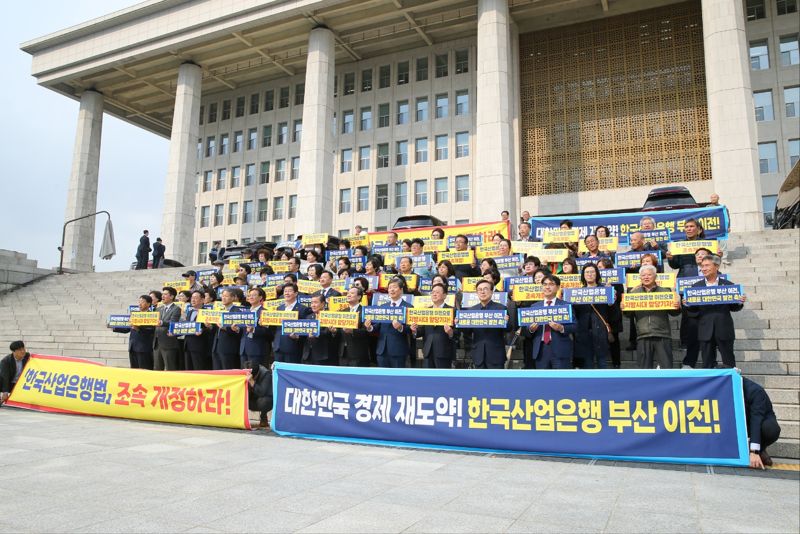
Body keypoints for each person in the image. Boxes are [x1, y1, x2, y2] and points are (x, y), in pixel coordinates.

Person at [684, 254, 745, 368]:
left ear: (716, 266)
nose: (704, 268)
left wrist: (740, 301)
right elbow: (693, 312)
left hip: (724, 328)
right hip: (705, 330)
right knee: (707, 363)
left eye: (707, 265)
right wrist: (688, 305)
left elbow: (734, 308)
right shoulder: (695, 287)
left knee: (729, 361)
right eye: (702, 266)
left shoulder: (728, 285)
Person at [623, 265, 681, 369]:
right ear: (640, 277)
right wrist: (624, 308)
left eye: (649, 274)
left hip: (662, 334)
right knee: (644, 370)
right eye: (643, 275)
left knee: (666, 367)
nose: (646, 277)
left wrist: (677, 307)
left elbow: (674, 313)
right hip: (643, 335)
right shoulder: (633, 294)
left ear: (655, 276)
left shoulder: (665, 292)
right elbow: (628, 315)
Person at [522, 275, 576, 369]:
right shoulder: (534, 307)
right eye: (545, 284)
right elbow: (526, 330)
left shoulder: (566, 306)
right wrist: (531, 329)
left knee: (560, 381)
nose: (547, 287)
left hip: (560, 349)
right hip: (540, 349)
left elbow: (575, 326)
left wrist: (561, 328)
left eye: (551, 284)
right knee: (542, 382)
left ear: (558, 287)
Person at [458, 279, 512, 369]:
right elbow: (467, 332)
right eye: (480, 289)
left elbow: (509, 328)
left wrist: (506, 322)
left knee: (496, 383)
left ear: (491, 292)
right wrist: (460, 324)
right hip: (478, 354)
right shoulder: (471, 311)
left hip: (496, 354)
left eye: (485, 289)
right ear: (477, 293)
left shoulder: (501, 308)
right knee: (479, 383)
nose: (482, 292)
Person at [365, 278, 412, 368]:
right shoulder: (383, 306)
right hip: (382, 350)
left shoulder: (408, 307)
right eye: (390, 288)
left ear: (401, 290)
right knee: (383, 379)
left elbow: (411, 329)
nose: (391, 290)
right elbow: (377, 326)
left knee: (397, 380)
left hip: (398, 350)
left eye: (394, 287)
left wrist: (400, 327)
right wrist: (369, 327)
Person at [573, 264, 611, 369]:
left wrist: (611, 296)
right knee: (587, 363)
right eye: (587, 272)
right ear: (583, 275)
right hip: (583, 330)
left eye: (592, 272)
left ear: (597, 274)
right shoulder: (577, 292)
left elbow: (613, 310)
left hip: (600, 330)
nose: (590, 274)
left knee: (602, 361)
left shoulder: (605, 290)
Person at [411, 283, 456, 369]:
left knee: (442, 380)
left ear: (445, 295)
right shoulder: (427, 311)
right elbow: (422, 330)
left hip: (444, 352)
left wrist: (450, 332)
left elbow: (457, 332)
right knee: (428, 381)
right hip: (428, 351)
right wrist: (415, 330)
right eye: (433, 292)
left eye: (437, 292)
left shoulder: (452, 311)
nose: (434, 294)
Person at [743, 376, 781, 469]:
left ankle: (759, 449)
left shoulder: (755, 391)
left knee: (771, 430)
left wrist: (754, 451)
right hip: (737, 422)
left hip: (758, 421)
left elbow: (756, 420)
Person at [112, 294, 155, 369]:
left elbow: (151, 330)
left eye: (142, 302)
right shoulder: (135, 315)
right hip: (133, 347)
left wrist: (138, 329)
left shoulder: (151, 316)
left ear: (148, 304)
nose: (140, 304)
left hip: (144, 348)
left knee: (144, 370)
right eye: (139, 302)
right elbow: (128, 328)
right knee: (134, 369)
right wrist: (114, 327)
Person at [272, 282, 311, 364]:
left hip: (292, 347)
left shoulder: (303, 309)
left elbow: (305, 328)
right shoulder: (279, 308)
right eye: (285, 291)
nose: (287, 293)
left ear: (296, 293)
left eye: (289, 291)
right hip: (278, 346)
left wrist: (297, 336)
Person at [210, 288, 243, 370]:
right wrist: (210, 326)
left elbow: (239, 330)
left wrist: (225, 328)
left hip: (228, 347)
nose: (223, 298)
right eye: (222, 296)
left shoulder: (237, 311)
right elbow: (217, 328)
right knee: (217, 372)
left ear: (233, 298)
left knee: (227, 371)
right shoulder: (219, 311)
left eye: (226, 296)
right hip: (216, 346)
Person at [338, 286, 371, 367]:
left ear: (359, 296)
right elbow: (339, 331)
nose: (348, 295)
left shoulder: (365, 311)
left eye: (352, 293)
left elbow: (366, 332)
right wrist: (334, 332)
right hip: (343, 353)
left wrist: (352, 331)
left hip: (358, 353)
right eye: (348, 293)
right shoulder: (342, 312)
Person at [239, 287, 272, 368]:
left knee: (258, 376)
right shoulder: (245, 312)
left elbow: (269, 333)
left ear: (260, 297)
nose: (251, 297)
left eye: (254, 295)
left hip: (258, 349)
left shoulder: (265, 312)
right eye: (249, 295)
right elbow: (242, 331)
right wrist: (236, 330)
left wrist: (254, 330)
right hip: (244, 349)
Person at [183, 290, 213, 370]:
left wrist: (203, 330)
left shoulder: (207, 313)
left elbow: (211, 329)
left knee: (198, 369)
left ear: (203, 300)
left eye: (196, 298)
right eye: (192, 298)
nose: (193, 300)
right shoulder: (189, 312)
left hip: (199, 345)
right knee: (188, 370)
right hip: (187, 345)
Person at [153, 286, 182, 370]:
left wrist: (162, 322)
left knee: (170, 368)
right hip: (157, 343)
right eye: (162, 294)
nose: (163, 296)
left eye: (165, 294)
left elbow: (173, 322)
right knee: (157, 368)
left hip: (168, 343)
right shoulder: (158, 309)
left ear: (172, 296)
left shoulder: (176, 309)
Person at [304, 294, 338, 365]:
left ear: (323, 304)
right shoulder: (308, 317)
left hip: (323, 356)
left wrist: (316, 334)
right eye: (312, 303)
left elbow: (328, 333)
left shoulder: (330, 316)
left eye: (315, 302)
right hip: (308, 355)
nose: (313, 305)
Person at [247, 361, 273, 429]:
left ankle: (263, 417)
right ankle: (241, 419)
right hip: (251, 398)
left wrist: (252, 382)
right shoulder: (246, 372)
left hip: (262, 400)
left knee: (264, 401)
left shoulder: (266, 374)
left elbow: (262, 392)